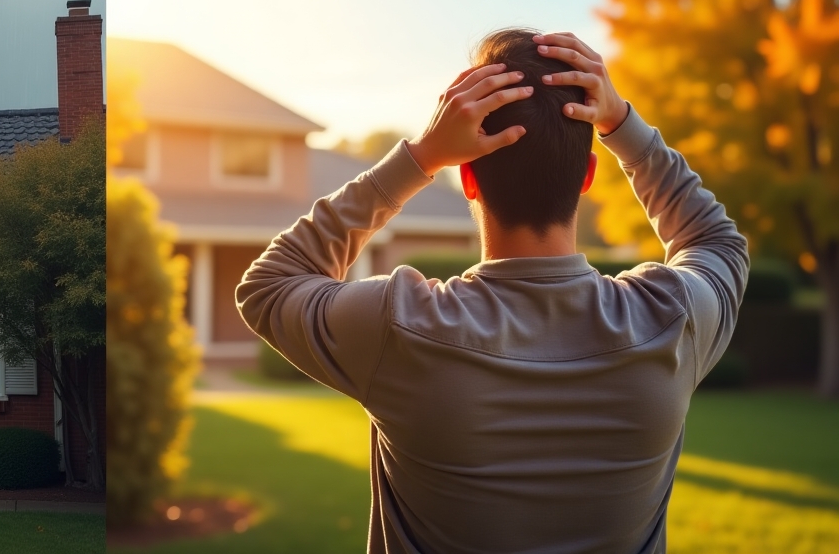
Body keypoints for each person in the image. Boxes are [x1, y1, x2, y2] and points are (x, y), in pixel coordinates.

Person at [237, 29, 748, 553]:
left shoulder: (401, 324)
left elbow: (269, 284)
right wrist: (621, 124)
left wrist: (420, 158)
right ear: (586, 176)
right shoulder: (671, 316)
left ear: (468, 179)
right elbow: (717, 242)